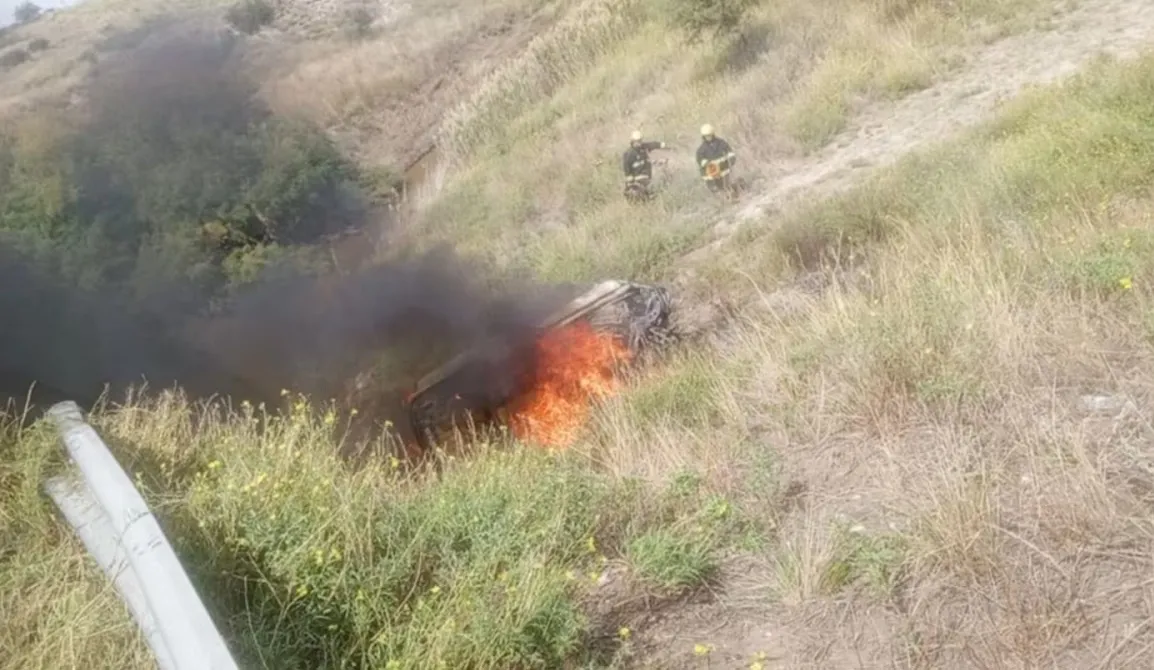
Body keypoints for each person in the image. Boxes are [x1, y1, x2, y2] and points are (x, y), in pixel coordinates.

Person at [622, 130, 667, 200]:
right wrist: (629, 177)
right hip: (637, 179)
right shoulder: (629, 154)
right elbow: (626, 168)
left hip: (647, 177)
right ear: (632, 141)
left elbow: (652, 145)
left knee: (658, 185)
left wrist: (661, 144)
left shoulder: (643, 147)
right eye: (636, 141)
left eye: (640, 141)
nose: (639, 143)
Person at [695, 124, 737, 196]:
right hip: (711, 174)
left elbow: (730, 153)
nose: (708, 137)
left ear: (713, 134)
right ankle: (721, 199)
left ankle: (731, 193)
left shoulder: (721, 143)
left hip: (724, 170)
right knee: (716, 191)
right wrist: (709, 165)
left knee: (728, 186)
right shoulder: (701, 150)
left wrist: (731, 160)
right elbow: (700, 161)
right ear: (703, 137)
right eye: (706, 136)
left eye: (710, 135)